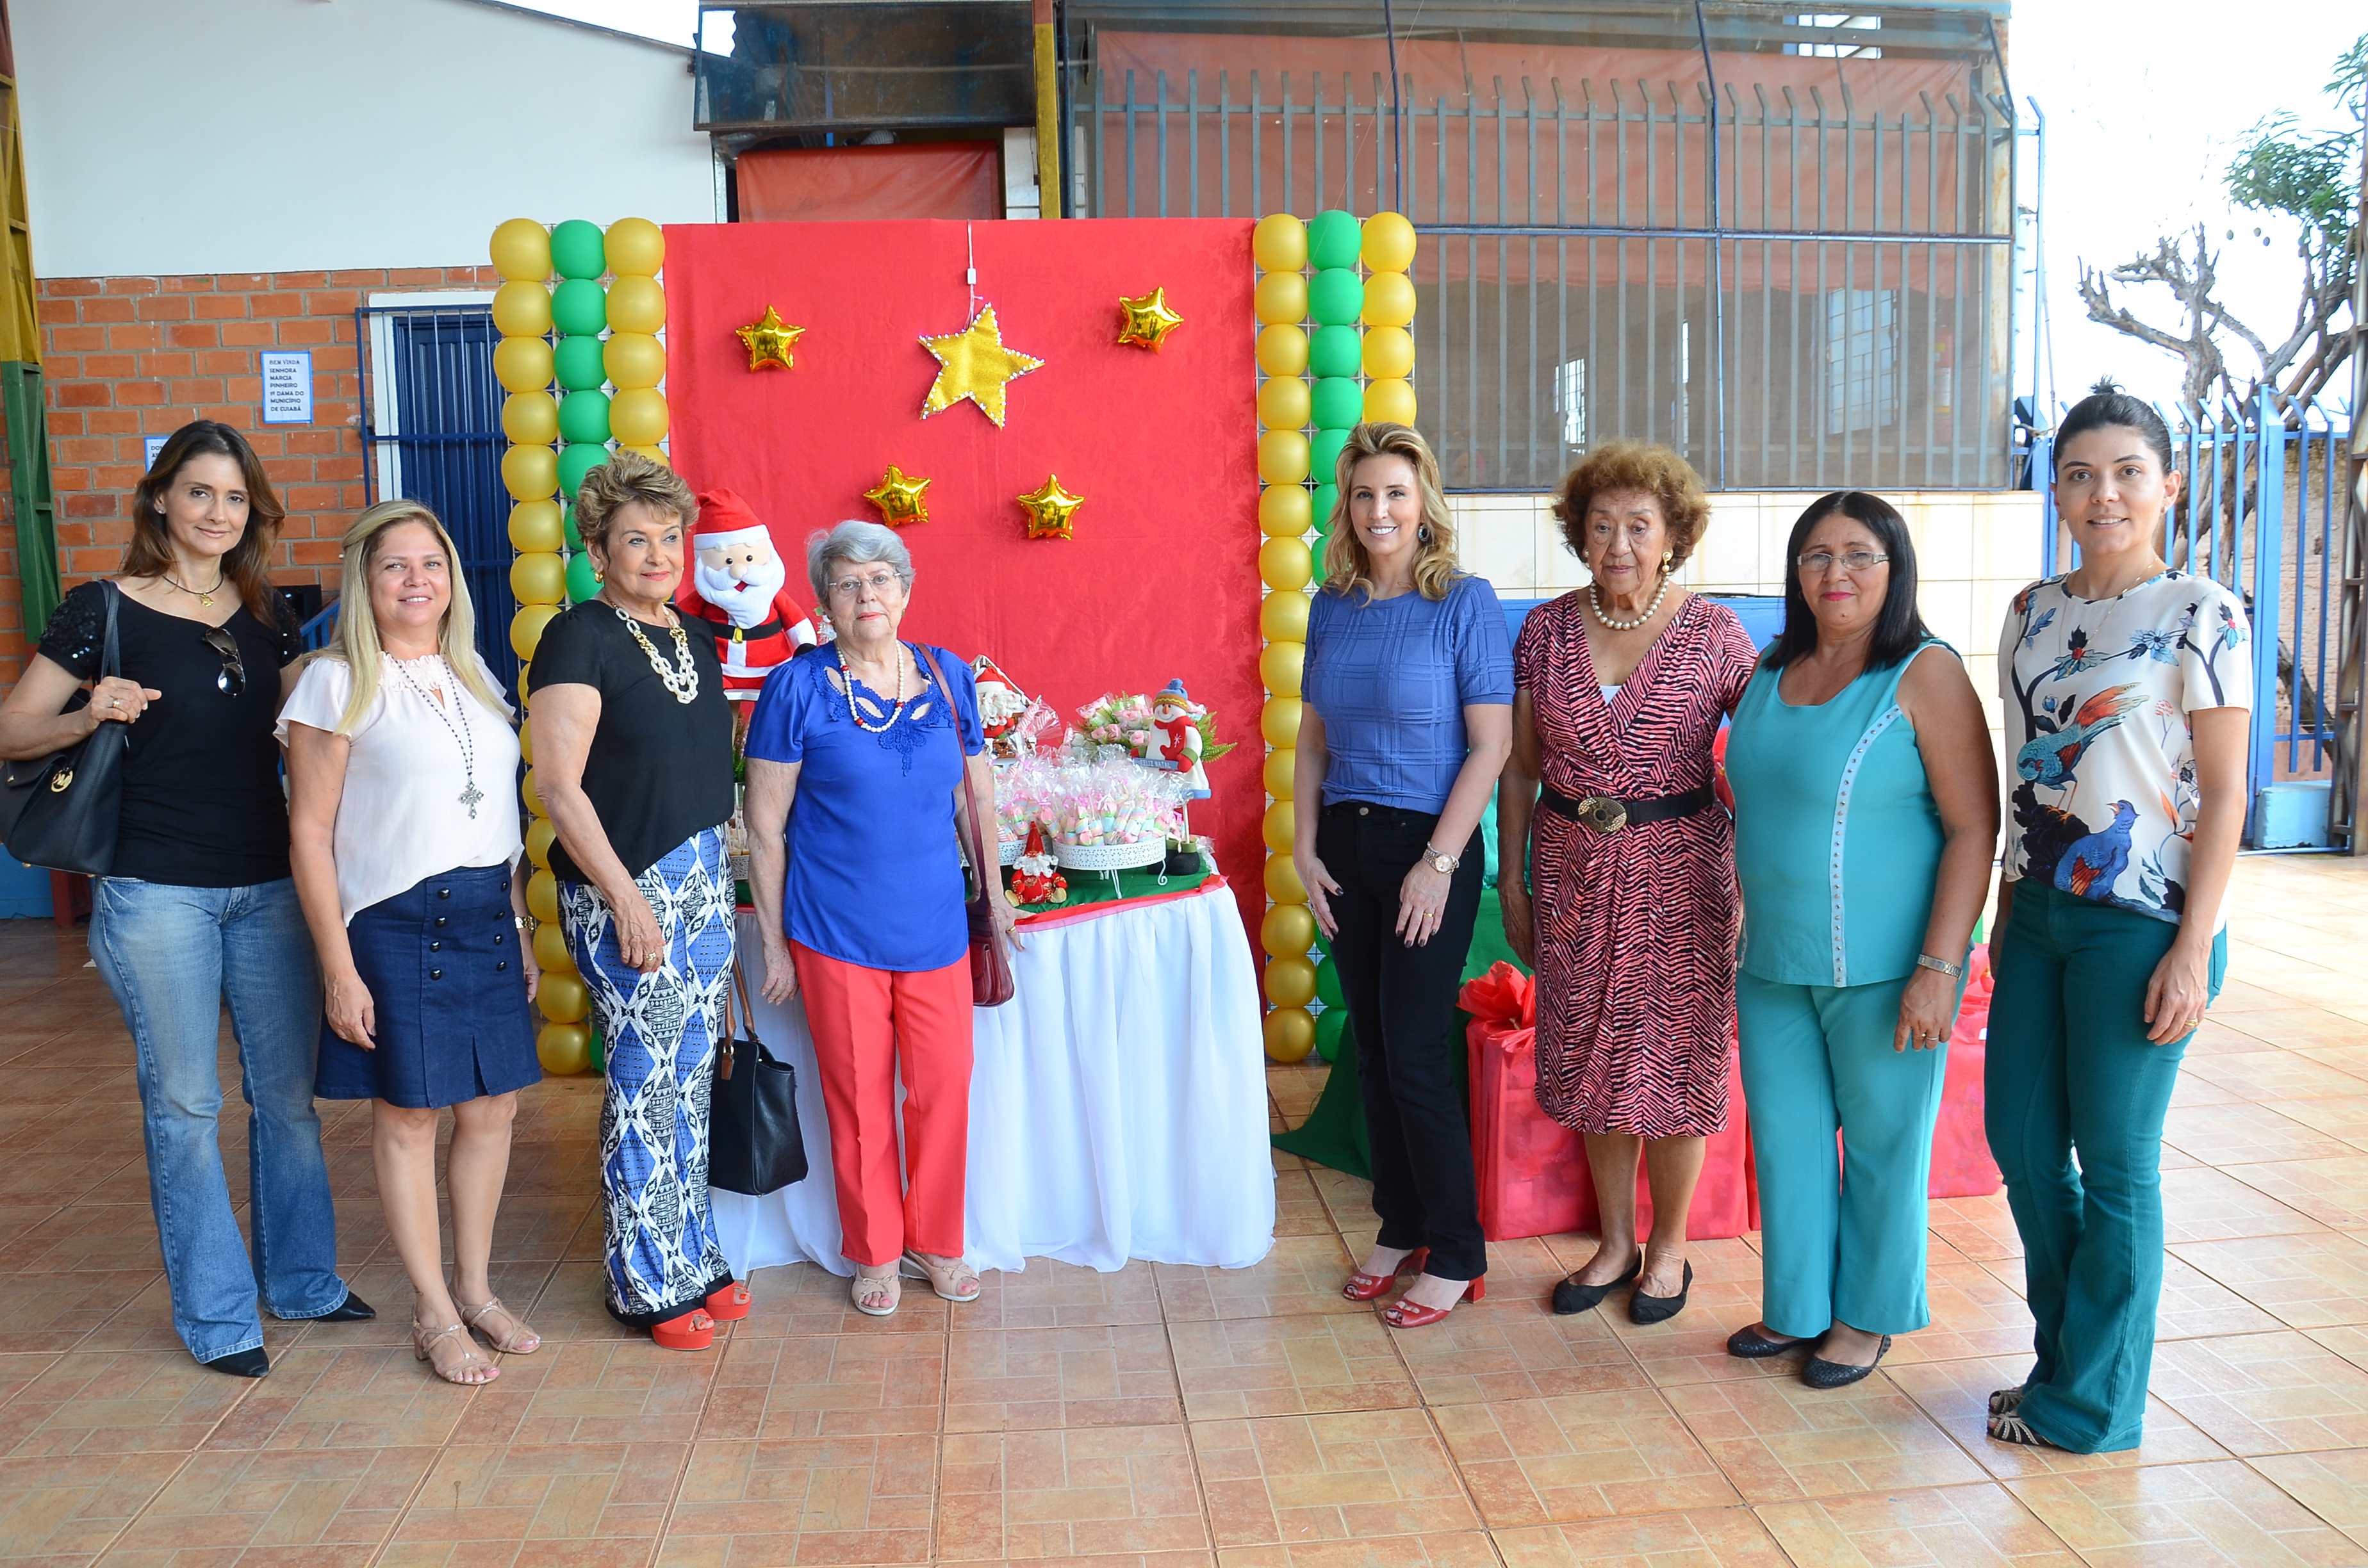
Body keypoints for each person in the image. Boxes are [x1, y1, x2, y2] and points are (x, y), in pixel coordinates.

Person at [0, 420, 369, 1377]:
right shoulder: (101, 610)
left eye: (235, 497)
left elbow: (296, 731)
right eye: (199, 491)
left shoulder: (267, 614)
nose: (217, 512)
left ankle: (303, 1281)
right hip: (157, 890)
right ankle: (218, 1317)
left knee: (286, 1101)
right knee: (186, 1106)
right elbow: (12, 729)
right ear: (160, 498)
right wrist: (88, 712)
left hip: (271, 888)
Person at [1984, 380, 2248, 1453]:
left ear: (2168, 486)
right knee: (2020, 1140)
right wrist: (2005, 900)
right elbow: (2025, 768)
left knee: (2117, 1162)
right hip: (2039, 910)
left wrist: (2192, 948)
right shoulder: (2031, 612)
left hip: (2144, 924)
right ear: (2056, 490)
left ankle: (2094, 1405)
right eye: (2082, 474)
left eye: (2129, 473)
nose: (2106, 494)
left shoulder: (2202, 610)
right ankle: (2066, 1360)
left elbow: (2225, 795)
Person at [1722, 491, 2000, 1387]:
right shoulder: (1771, 670)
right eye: (1816, 556)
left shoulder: (1925, 672)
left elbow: (1974, 828)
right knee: (1788, 1142)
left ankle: (1866, 1318)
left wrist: (1941, 968)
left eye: (1858, 556)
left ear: (1894, 569)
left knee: (1884, 1148)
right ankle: (1798, 1306)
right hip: (1772, 959)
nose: (1834, 573)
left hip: (1887, 967)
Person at [283, 500, 546, 1385]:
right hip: (394, 921)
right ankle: (432, 1311)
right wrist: (338, 968)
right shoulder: (333, 683)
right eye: (394, 565)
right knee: (409, 1115)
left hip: (486, 915)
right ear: (364, 581)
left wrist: (520, 923)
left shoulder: (471, 670)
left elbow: (498, 815)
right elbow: (310, 834)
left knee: (494, 1107)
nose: (416, 580)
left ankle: (475, 1289)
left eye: (431, 563)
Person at [1498, 441, 1758, 1325]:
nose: (1619, 544)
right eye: (1601, 525)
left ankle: (1670, 1246)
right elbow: (1519, 769)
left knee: (1675, 1059)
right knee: (1591, 1056)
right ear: (1579, 534)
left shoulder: (1717, 635)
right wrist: (1514, 884)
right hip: (1571, 870)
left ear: (1673, 535)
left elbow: (1765, 757)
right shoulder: (1545, 632)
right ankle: (1614, 1242)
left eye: (1639, 526)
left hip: (1684, 877)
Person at [743, 521, 1019, 1317]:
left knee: (944, 1089)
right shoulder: (796, 687)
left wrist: (994, 892)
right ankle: (874, 1252)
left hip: (935, 924)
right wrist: (776, 946)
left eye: (880, 579)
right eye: (847, 583)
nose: (867, 595)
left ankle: (938, 1241)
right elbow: (765, 827)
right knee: (860, 1102)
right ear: (825, 603)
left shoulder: (948, 674)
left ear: (905, 590)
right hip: (835, 931)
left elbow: (975, 796)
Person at [1294, 422, 1513, 1329]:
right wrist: (1305, 849)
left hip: (1432, 847)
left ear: (1424, 506)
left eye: (1395, 493)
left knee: (1418, 1056)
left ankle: (1457, 1252)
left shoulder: (1465, 602)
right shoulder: (1332, 605)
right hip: (1345, 847)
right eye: (1363, 495)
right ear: (1345, 508)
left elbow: (1491, 745)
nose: (1378, 510)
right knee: (1376, 1053)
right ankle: (1400, 1223)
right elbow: (1313, 740)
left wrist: (1439, 863)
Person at [530, 452, 744, 1352]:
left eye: (669, 538)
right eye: (635, 541)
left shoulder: (695, 635)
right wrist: (625, 897)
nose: (658, 555)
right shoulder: (577, 636)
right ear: (597, 552)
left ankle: (693, 1257)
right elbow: (558, 785)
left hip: (702, 879)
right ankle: (643, 1282)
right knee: (643, 1085)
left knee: (689, 1081)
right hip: (627, 886)